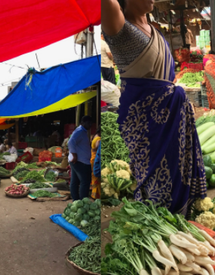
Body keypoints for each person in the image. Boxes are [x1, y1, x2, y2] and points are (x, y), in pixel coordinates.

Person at [102, 0, 206, 213]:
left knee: (176, 166)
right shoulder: (120, 27)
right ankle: (157, 220)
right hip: (144, 117)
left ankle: (178, 213)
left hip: (171, 111)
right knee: (153, 170)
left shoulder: (154, 30)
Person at [68, 116, 94, 200]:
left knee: (75, 181)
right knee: (85, 181)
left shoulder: (82, 131)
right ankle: (83, 201)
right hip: (80, 161)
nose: (90, 125)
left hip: (79, 161)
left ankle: (76, 200)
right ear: (82, 123)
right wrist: (74, 155)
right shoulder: (80, 131)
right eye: (88, 123)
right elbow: (70, 142)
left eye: (91, 123)